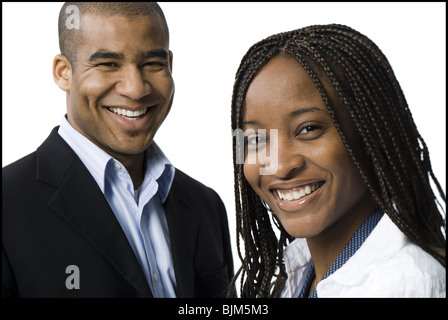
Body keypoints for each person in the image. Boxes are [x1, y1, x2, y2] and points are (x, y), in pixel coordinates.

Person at [2, 2, 233, 298]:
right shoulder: (9, 206)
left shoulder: (206, 206)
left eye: (152, 63)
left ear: (170, 66)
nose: (136, 89)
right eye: (108, 64)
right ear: (64, 73)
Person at [228, 24, 445, 298]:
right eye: (256, 139)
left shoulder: (400, 284)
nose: (280, 166)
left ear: (371, 134)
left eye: (308, 129)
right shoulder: (296, 272)